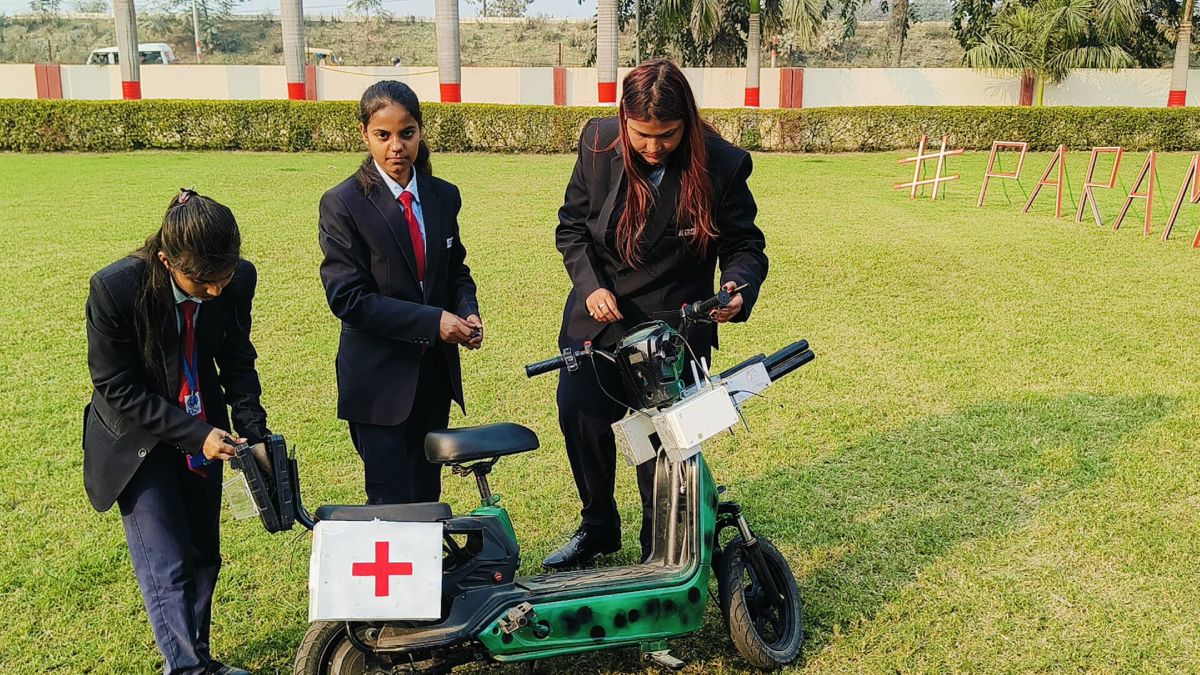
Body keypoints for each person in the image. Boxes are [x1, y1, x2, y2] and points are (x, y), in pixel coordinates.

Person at [545, 58, 770, 570]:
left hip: (676, 325)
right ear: (623, 119)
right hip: (600, 320)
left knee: (661, 442)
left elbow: (746, 246)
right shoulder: (598, 142)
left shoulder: (723, 164)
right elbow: (571, 229)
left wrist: (737, 287)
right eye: (641, 134)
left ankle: (659, 545)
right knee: (579, 412)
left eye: (665, 135)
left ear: (686, 122)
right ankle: (598, 527)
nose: (651, 146)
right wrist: (590, 286)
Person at [84, 189, 270, 675]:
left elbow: (236, 358)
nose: (214, 291)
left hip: (202, 424)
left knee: (203, 554)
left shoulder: (237, 280)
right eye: (202, 281)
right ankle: (187, 670)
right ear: (167, 261)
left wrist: (253, 431)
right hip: (136, 439)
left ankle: (197, 659)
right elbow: (115, 386)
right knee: (166, 566)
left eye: (222, 278)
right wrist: (194, 433)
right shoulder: (115, 289)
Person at [319, 80, 482, 505]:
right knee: (390, 502)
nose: (396, 147)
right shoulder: (343, 203)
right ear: (364, 134)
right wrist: (433, 322)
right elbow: (347, 299)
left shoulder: (443, 196)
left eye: (406, 133)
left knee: (427, 494)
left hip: (432, 377)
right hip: (378, 383)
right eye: (383, 135)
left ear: (420, 132)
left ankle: (434, 572)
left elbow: (456, 269)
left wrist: (467, 312)